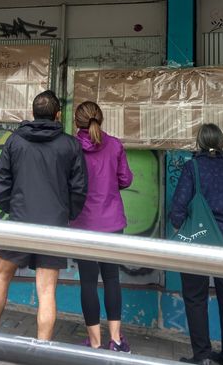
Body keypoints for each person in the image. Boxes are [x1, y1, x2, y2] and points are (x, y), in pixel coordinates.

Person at [0, 90, 87, 340]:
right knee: (47, 290)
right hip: (53, 225)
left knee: (1, 277)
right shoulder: (70, 145)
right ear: (58, 114)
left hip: (19, 221)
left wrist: (10, 207)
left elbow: (1, 177)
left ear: (33, 113)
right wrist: (68, 214)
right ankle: (42, 347)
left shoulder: (15, 141)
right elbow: (79, 188)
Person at [170, 124, 223, 365]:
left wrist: (179, 226)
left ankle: (202, 355)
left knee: (195, 296)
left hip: (198, 240)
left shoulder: (193, 168)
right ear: (222, 144)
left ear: (198, 143)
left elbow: (178, 206)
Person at [70, 101, 133, 352]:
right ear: (101, 119)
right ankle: (116, 340)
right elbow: (125, 179)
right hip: (112, 222)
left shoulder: (71, 147)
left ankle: (95, 342)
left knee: (88, 282)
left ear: (77, 122)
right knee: (112, 279)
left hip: (83, 223)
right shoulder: (115, 145)